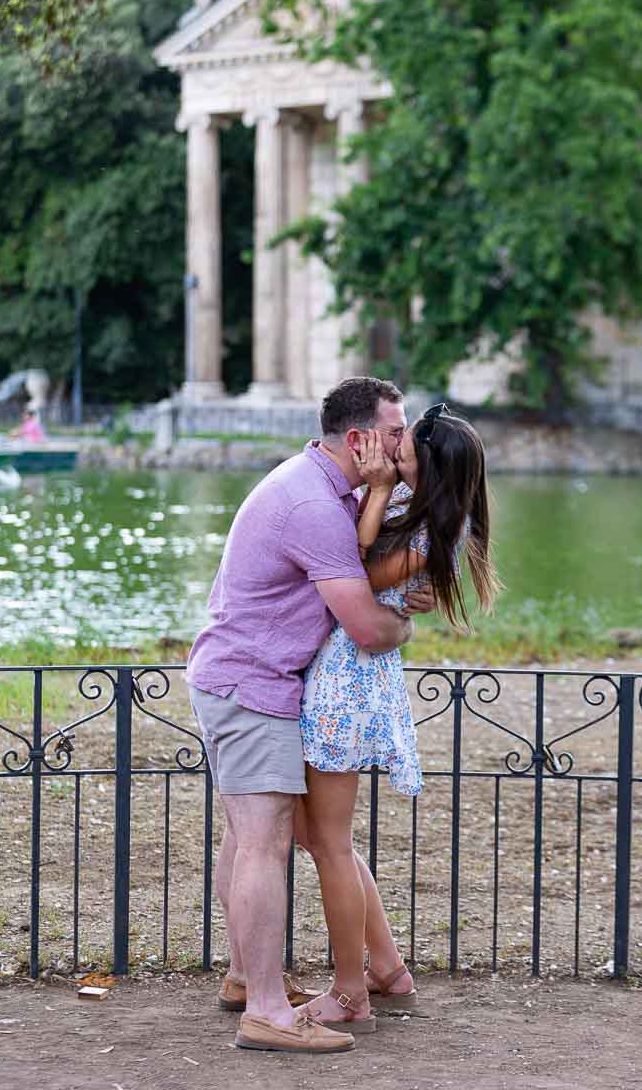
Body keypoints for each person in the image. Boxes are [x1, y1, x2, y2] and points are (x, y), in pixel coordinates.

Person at [186, 377, 434, 1055]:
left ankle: (246, 979)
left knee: (249, 838)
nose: (399, 442)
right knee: (262, 842)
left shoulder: (323, 488)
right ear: (358, 440)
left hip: (250, 680)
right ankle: (266, 1010)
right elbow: (364, 627)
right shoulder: (312, 504)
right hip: (253, 686)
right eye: (392, 431)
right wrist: (402, 624)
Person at [296, 402, 500, 1032]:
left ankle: (350, 991)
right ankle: (386, 969)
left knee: (328, 842)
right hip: (345, 673)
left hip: (347, 683)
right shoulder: (423, 508)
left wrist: (378, 489)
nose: (389, 451)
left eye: (401, 447)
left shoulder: (434, 524)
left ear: (427, 465)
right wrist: (385, 489)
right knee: (319, 837)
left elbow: (351, 567)